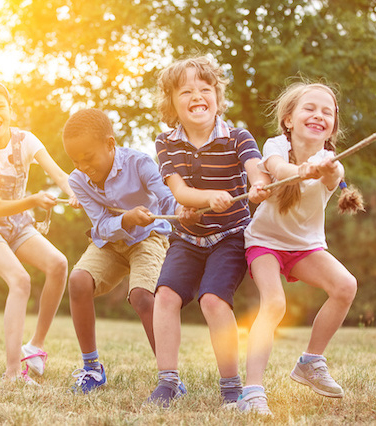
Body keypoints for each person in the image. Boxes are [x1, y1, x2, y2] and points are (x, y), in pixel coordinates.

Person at [147, 56, 270, 408]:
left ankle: (231, 387)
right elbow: (180, 191)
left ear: (217, 95)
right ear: (171, 102)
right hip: (187, 238)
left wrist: (260, 184)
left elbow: (255, 167)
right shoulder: (166, 142)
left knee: (213, 300)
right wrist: (207, 197)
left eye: (205, 88)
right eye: (185, 91)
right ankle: (167, 382)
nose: (196, 96)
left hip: (230, 236)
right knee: (166, 297)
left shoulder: (236, 137)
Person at [239, 82, 364, 415]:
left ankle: (310, 361)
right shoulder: (276, 145)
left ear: (333, 125)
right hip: (265, 242)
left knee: (345, 286)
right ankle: (251, 392)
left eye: (327, 111)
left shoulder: (331, 161)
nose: (318, 115)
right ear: (289, 119)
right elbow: (278, 169)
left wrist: (323, 169)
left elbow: (333, 173)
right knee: (275, 304)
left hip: (305, 248)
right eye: (309, 108)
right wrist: (299, 171)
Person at [62, 108, 187, 394]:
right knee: (78, 280)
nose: (83, 166)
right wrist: (127, 219)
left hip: (149, 237)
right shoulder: (77, 180)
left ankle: (170, 378)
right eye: (75, 160)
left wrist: (181, 211)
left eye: (88, 157)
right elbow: (103, 226)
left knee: (142, 296)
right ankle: (92, 368)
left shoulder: (139, 163)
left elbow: (166, 196)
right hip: (110, 242)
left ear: (110, 144)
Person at [0, 79, 78, 383]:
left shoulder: (26, 140)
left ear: (10, 110)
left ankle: (35, 348)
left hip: (17, 224)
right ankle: (13, 373)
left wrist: (75, 193)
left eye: (0, 106)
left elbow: (60, 175)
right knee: (20, 280)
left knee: (58, 264)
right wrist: (35, 199)